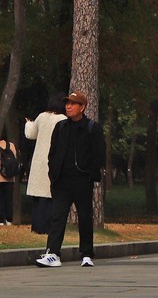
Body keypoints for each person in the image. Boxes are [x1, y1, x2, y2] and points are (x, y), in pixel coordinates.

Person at [36, 90, 106, 268]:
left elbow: (99, 154)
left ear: (82, 107)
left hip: (82, 180)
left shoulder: (92, 127)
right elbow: (52, 153)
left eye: (73, 104)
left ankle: (87, 254)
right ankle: (52, 253)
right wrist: (53, 173)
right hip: (61, 181)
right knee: (57, 217)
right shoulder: (60, 127)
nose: (68, 106)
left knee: (84, 216)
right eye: (67, 103)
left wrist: (91, 173)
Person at [24, 92, 67, 234]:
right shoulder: (63, 120)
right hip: (53, 162)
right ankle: (46, 229)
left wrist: (28, 124)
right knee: (49, 199)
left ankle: (36, 228)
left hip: (38, 163)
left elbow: (31, 134)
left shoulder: (42, 117)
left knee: (37, 199)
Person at [0, 133, 19, 225]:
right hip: (10, 178)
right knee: (8, 199)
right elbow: (15, 160)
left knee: (0, 199)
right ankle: (9, 220)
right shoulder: (11, 145)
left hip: (0, 177)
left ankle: (0, 221)